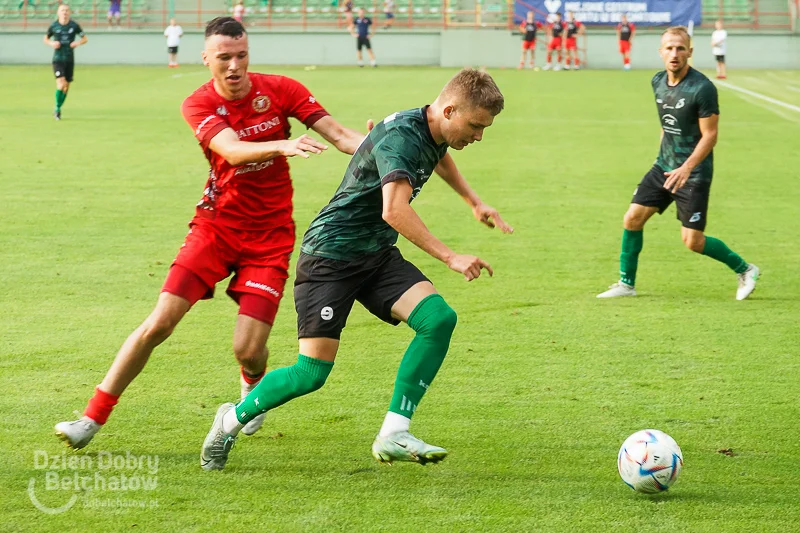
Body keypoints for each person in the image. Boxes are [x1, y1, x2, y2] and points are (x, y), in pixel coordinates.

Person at [54, 17, 371, 450]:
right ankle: (91, 418)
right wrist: (282, 145)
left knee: (248, 348)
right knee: (159, 323)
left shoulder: (281, 89)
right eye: (225, 57)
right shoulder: (198, 103)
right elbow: (232, 150)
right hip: (215, 227)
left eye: (242, 55)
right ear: (206, 58)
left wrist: (374, 144)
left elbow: (338, 135)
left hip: (271, 236)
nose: (235, 66)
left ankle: (249, 386)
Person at [200, 68, 514, 471]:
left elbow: (441, 158)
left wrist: (472, 200)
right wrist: (451, 257)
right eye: (474, 125)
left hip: (375, 255)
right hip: (330, 257)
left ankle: (394, 432)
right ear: (450, 109)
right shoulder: (404, 137)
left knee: (438, 319)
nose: (479, 135)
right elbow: (394, 210)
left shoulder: (431, 126)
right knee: (311, 373)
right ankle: (228, 420)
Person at [597, 26, 758, 300]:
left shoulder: (702, 88)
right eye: (669, 48)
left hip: (693, 173)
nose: (675, 53)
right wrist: (661, 156)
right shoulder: (657, 81)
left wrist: (687, 167)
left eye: (680, 48)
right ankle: (627, 284)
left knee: (693, 241)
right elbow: (667, 125)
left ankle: (745, 269)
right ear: (661, 52)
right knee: (632, 218)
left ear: (690, 53)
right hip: (664, 166)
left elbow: (710, 136)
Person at [44, 4, 87, 121]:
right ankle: (57, 109)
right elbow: (46, 39)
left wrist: (77, 43)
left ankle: (58, 107)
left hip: (69, 59)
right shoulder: (54, 26)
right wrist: (52, 43)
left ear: (70, 13)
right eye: (62, 10)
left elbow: (85, 38)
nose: (65, 12)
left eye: (67, 10)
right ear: (58, 13)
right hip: (58, 59)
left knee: (66, 87)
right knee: (61, 83)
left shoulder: (74, 25)